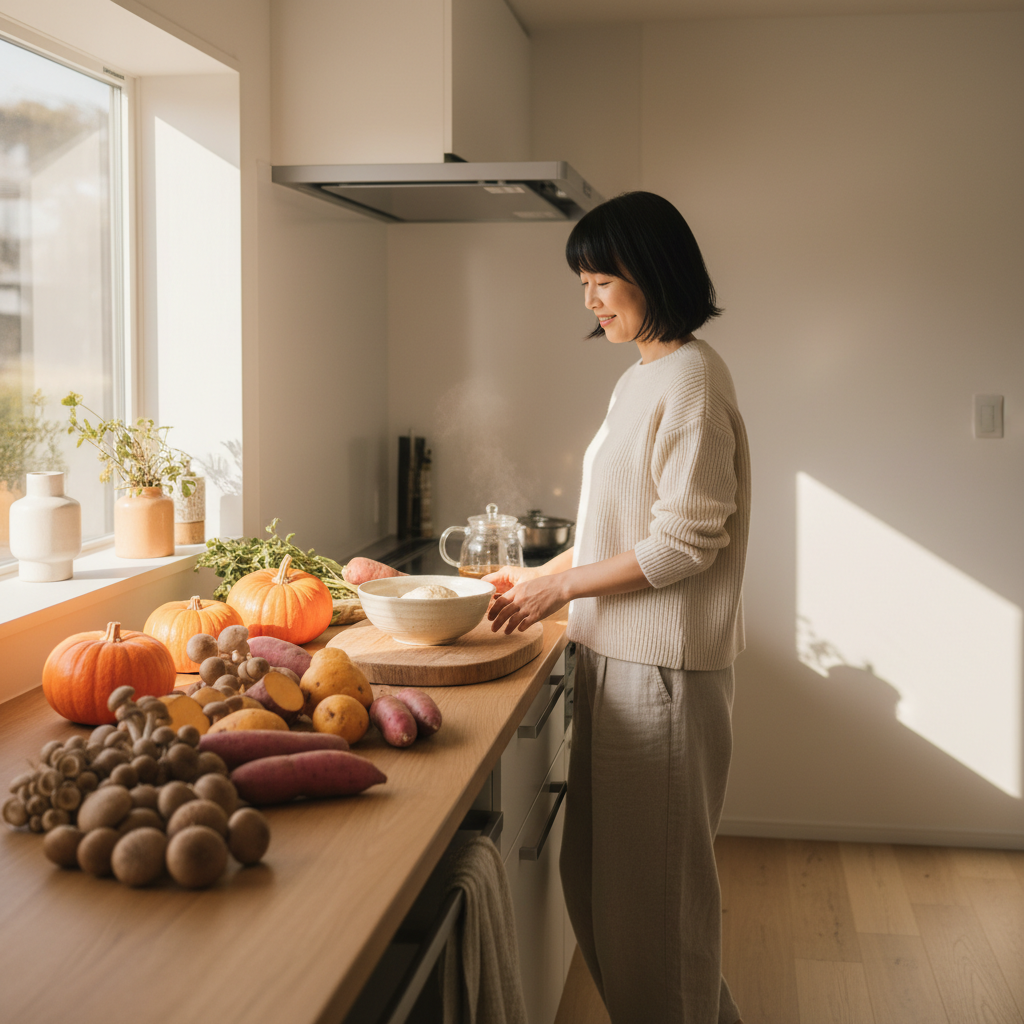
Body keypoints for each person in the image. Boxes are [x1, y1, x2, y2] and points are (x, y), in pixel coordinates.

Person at [484, 191, 750, 1024]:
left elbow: (681, 545)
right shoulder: (642, 377)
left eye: (603, 277)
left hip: (661, 674)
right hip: (615, 660)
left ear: (653, 273)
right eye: (583, 281)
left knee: (655, 914)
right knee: (603, 892)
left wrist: (560, 587)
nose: (591, 297)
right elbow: (614, 529)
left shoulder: (694, 380)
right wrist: (541, 577)